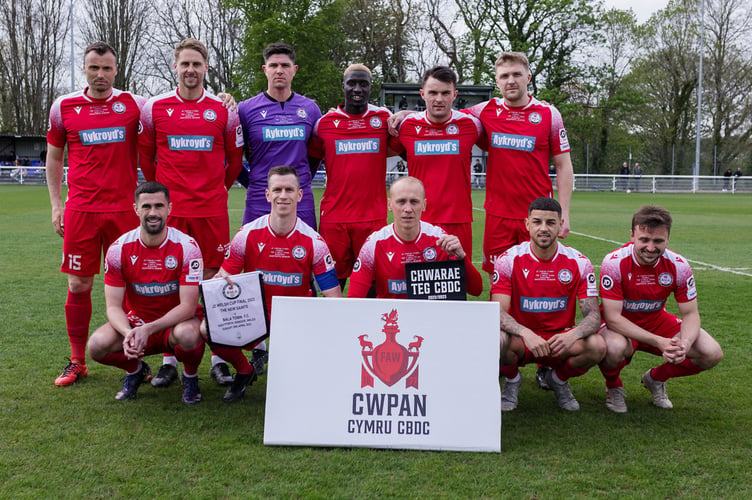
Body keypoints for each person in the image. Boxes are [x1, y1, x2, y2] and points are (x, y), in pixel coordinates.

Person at [139, 38, 243, 387]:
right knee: (170, 280)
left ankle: (218, 357)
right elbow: (146, 159)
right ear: (175, 66)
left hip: (211, 210)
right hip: (174, 212)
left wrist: (215, 190)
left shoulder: (224, 110)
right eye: (184, 63)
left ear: (206, 68)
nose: (190, 70)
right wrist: (165, 199)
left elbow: (235, 161)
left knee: (213, 282)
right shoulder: (154, 108)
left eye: (196, 64)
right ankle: (170, 358)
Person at [46, 41, 145, 386]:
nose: (100, 75)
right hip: (82, 209)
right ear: (84, 69)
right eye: (94, 68)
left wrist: (224, 99)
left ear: (115, 70)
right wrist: (57, 204)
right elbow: (55, 157)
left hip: (123, 210)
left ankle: (138, 357)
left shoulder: (134, 104)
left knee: (133, 288)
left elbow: (171, 111)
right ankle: (77, 361)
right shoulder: (64, 106)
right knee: (79, 283)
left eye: (106, 68)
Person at [206, 166, 342, 402]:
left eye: (289, 189)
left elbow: (334, 298)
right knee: (206, 329)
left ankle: (303, 367)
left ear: (299, 195)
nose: (283, 195)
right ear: (268, 195)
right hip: (254, 314)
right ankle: (244, 370)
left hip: (296, 316)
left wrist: (323, 331)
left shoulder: (314, 242)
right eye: (277, 189)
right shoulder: (246, 235)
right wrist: (220, 282)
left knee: (296, 384)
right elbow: (223, 277)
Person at [87, 182, 206, 404]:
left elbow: (188, 306)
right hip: (138, 322)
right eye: (147, 206)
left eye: (159, 206)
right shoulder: (118, 249)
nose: (153, 213)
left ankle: (190, 376)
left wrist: (147, 330)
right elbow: (113, 306)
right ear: (136, 209)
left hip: (175, 324)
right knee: (96, 345)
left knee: (189, 335)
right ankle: (136, 371)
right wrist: (128, 332)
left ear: (169, 208)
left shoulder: (188, 247)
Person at [598, 206, 723, 412]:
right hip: (620, 325)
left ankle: (655, 379)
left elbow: (691, 314)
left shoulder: (679, 265)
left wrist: (683, 344)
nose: (650, 247)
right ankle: (613, 386)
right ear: (632, 236)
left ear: (668, 239)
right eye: (644, 239)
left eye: (658, 241)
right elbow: (612, 317)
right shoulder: (614, 263)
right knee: (613, 348)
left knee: (711, 352)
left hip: (656, 321)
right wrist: (659, 342)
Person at [492, 197, 603, 411]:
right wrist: (526, 332)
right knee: (496, 339)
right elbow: (498, 312)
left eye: (551, 223)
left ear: (561, 225)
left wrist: (574, 333)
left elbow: (593, 316)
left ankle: (558, 380)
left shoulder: (579, 262)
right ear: (527, 224)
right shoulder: (508, 260)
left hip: (559, 339)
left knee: (597, 345)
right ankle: (513, 379)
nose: (544, 229)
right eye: (537, 222)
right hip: (522, 339)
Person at [309, 64, 398, 290]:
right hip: (335, 219)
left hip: (372, 218)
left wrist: (405, 114)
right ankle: (334, 327)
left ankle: (367, 327)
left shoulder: (383, 119)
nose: (357, 89)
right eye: (352, 83)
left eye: (363, 84)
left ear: (371, 88)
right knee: (333, 285)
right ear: (343, 86)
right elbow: (310, 164)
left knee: (372, 285)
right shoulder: (325, 124)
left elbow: (408, 148)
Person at [389, 66, 484, 260]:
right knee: (417, 284)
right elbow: (380, 151)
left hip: (458, 221)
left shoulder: (471, 125)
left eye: (445, 93)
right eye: (433, 92)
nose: (439, 99)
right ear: (422, 94)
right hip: (418, 220)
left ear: (454, 95)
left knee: (457, 284)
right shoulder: (407, 126)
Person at [348, 176, 483, 299]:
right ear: (389, 204)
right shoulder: (374, 244)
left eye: (414, 202)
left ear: (424, 205)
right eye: (401, 202)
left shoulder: (440, 240)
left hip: (430, 321)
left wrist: (462, 258)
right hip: (392, 321)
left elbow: (476, 290)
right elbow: (354, 298)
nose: (408, 209)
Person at [236, 42, 322, 230]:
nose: (279, 70)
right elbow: (232, 156)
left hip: (300, 199)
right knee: (254, 256)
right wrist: (251, 182)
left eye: (285, 65)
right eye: (274, 66)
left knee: (303, 255)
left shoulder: (311, 109)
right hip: (259, 199)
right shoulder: (245, 109)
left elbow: (316, 154)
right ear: (265, 69)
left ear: (294, 70)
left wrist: (302, 180)